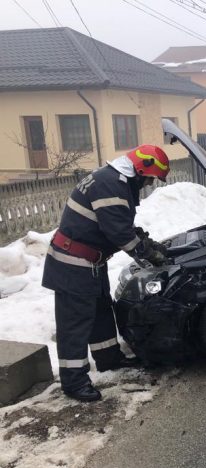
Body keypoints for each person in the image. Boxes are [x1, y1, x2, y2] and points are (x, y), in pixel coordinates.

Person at [42, 145, 170, 402]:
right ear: (141, 170)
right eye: (149, 179)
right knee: (75, 325)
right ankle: (74, 382)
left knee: (101, 310)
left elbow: (119, 223)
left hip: (89, 262)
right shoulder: (111, 184)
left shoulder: (112, 180)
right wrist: (149, 254)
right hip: (72, 264)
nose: (149, 184)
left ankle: (108, 358)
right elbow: (120, 234)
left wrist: (147, 241)